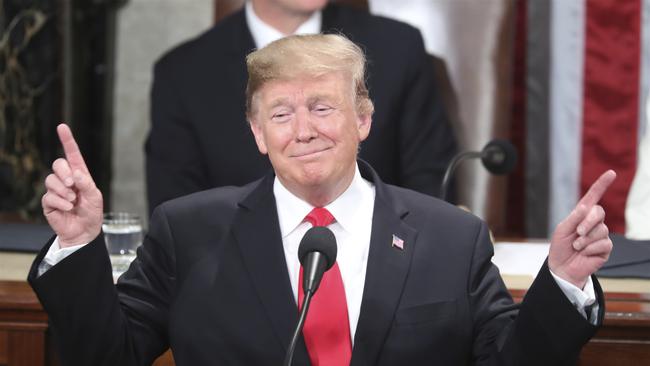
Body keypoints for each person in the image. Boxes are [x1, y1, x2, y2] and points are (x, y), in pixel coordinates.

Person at [32, 34, 615, 365]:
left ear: (364, 119)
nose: (303, 130)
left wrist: (562, 278)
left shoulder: (451, 238)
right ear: (258, 134)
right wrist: (79, 241)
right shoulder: (188, 230)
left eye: (323, 107)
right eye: (281, 113)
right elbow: (106, 355)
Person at [145, 0, 457, 214]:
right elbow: (178, 211)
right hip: (239, 279)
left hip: (379, 270)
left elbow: (431, 182)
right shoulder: (184, 72)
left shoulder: (397, 47)